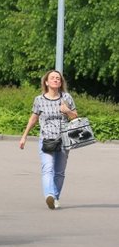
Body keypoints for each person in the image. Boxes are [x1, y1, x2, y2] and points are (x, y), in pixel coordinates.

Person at [19, 69, 78, 210]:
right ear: (46, 82)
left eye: (58, 78)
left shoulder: (67, 97)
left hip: (65, 139)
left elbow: (75, 116)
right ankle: (49, 195)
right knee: (48, 168)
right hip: (46, 139)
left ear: (61, 82)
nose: (56, 80)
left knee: (59, 172)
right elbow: (33, 119)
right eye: (53, 78)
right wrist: (24, 136)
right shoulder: (39, 100)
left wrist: (67, 110)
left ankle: (55, 197)